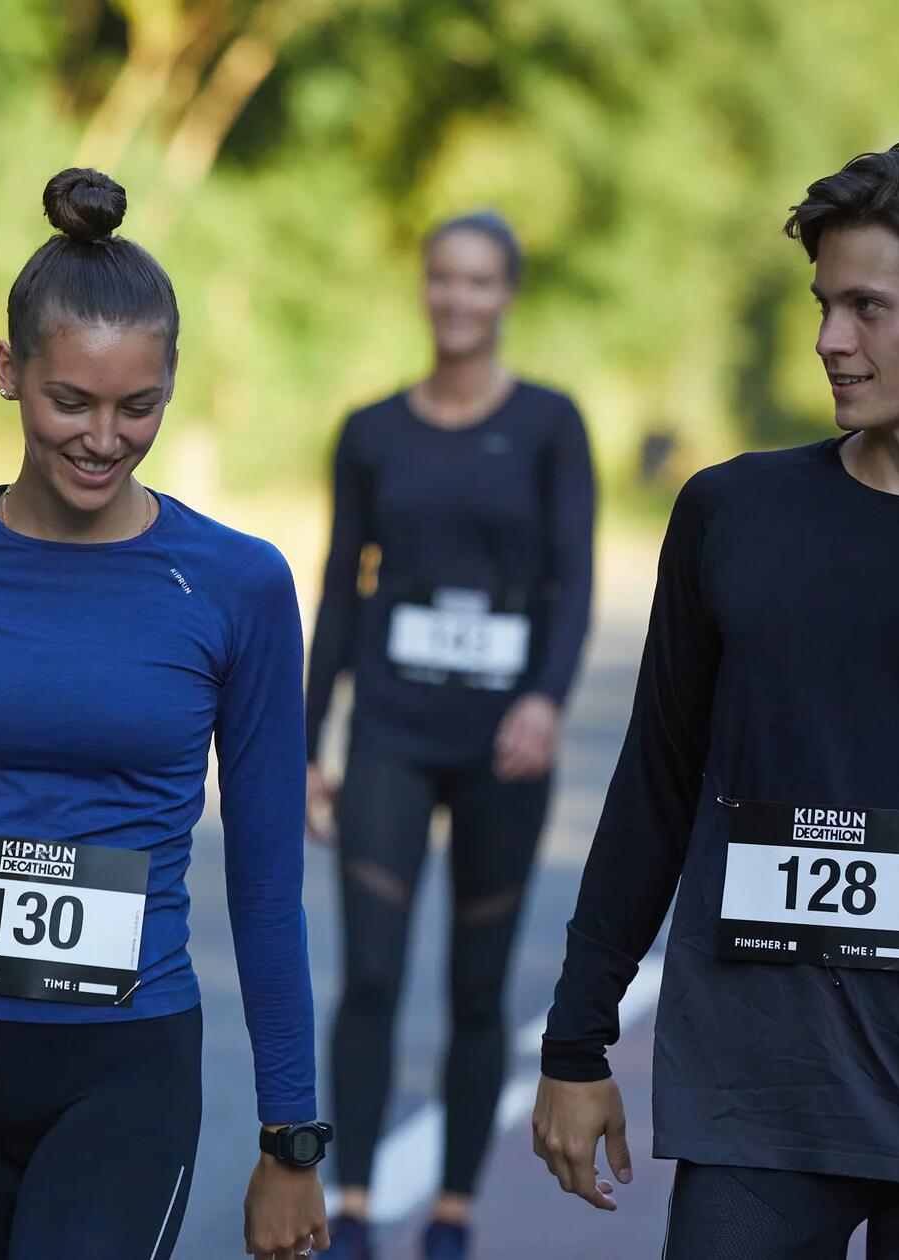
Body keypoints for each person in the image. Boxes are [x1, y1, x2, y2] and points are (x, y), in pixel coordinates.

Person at [0, 167, 333, 1260]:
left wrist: (291, 1142)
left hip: (127, 1069)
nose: (104, 437)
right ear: (9, 372)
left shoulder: (237, 584)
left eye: (137, 405)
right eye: (72, 402)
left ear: (171, 384)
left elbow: (269, 881)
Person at [532, 140, 899, 1258]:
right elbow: (656, 787)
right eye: (823, 305)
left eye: (868, 306)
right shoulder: (736, 514)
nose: (829, 340)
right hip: (761, 1104)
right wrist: (575, 1043)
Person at [305, 211, 597, 1259]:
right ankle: (349, 1205)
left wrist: (545, 701)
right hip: (390, 727)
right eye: (443, 278)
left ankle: (453, 1211)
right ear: (423, 287)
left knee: (477, 987)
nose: (459, 298)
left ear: (508, 293)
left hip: (501, 746)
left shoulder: (553, 424)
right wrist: (307, 744)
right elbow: (341, 591)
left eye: (479, 282)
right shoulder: (373, 430)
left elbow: (573, 583)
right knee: (372, 978)